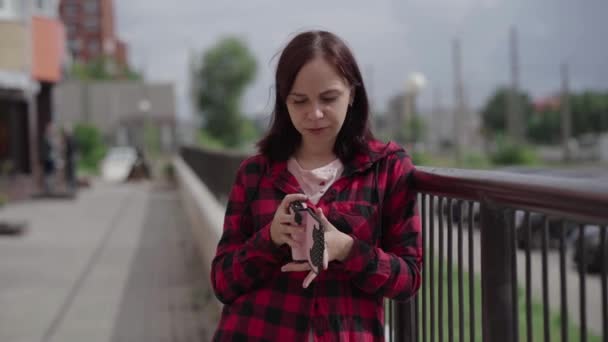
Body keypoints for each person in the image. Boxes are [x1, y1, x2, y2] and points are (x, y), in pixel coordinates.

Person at [210, 30, 422, 341]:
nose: (315, 114)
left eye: (328, 98)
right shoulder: (255, 173)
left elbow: (408, 280)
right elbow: (222, 283)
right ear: (285, 102)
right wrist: (269, 238)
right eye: (300, 101)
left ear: (352, 93)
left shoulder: (387, 168)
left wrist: (346, 249)